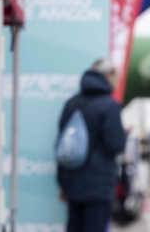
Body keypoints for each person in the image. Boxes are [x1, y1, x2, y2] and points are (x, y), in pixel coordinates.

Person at [56, 59, 128, 232]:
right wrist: (124, 133)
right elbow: (116, 145)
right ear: (108, 76)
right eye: (117, 77)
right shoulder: (110, 105)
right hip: (99, 184)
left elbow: (62, 143)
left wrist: (63, 182)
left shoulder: (71, 103)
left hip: (72, 181)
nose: (118, 81)